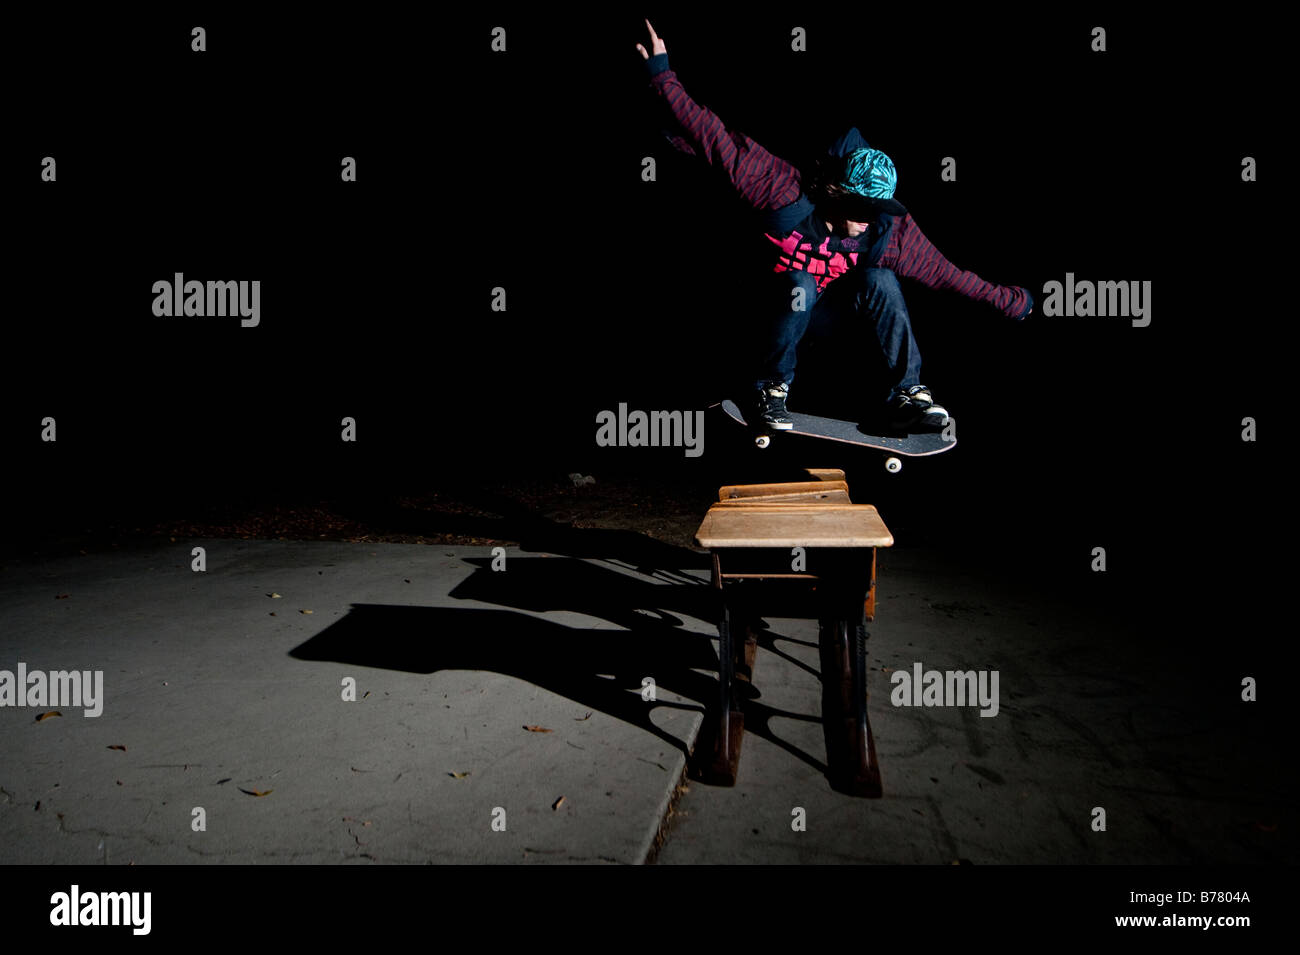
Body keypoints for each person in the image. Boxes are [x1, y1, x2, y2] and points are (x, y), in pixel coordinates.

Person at [636, 20, 1034, 432]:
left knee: (880, 281)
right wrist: (663, 76)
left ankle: (906, 395)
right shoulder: (781, 190)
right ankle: (769, 388)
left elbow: (949, 275)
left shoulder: (889, 232)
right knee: (799, 283)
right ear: (836, 194)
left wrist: (1010, 301)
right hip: (764, 313)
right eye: (861, 209)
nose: (868, 221)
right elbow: (715, 138)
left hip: (828, 323)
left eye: (877, 211)